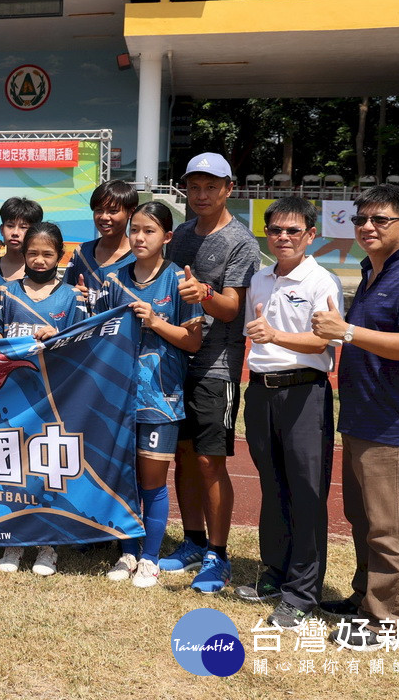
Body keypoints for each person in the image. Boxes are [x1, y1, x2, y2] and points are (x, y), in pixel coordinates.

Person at [309, 184, 399, 650]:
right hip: (363, 415)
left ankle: (386, 622)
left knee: (390, 525)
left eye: (380, 220)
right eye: (361, 219)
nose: (367, 227)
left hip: (396, 421)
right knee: (363, 517)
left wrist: (346, 331)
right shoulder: (371, 271)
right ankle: (365, 599)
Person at [239, 196, 343, 630]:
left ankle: (302, 593)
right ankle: (275, 574)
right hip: (261, 392)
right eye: (276, 230)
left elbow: (323, 343)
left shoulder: (322, 281)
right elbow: (255, 333)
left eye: (293, 231)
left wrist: (276, 335)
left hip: (305, 394)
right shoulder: (259, 279)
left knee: (306, 492)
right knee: (272, 485)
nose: (283, 238)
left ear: (310, 236)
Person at [160, 152, 261, 594]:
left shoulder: (242, 241)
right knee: (182, 454)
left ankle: (218, 555)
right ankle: (193, 541)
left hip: (216, 364)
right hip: (176, 356)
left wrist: (203, 293)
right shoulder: (181, 234)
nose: (200, 195)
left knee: (208, 459)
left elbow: (233, 308)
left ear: (228, 189)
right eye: (193, 187)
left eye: (210, 187)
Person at [100, 202, 203, 589]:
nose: (140, 237)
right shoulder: (113, 281)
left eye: (150, 231)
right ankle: (128, 549)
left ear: (168, 237)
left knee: (152, 481)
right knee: (123, 477)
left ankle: (150, 558)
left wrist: (156, 321)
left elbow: (193, 342)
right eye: (135, 230)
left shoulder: (180, 280)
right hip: (117, 397)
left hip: (161, 397)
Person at [0, 221, 88, 576]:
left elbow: (86, 346)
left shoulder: (72, 296)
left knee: (49, 468)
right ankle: (15, 538)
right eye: (32, 253)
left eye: (47, 254)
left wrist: (59, 336)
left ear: (61, 255)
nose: (40, 260)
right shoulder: (7, 292)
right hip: (12, 398)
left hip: (56, 397)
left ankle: (48, 543)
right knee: (14, 468)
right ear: (22, 254)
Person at [65, 179, 138, 309]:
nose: (104, 217)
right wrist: (73, 294)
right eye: (99, 210)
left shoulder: (139, 257)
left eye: (113, 211)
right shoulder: (81, 253)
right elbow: (63, 298)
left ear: (130, 212)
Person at [0, 197, 43, 296]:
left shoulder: (42, 274)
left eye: (23, 227)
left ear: (34, 232)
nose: (15, 233)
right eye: (10, 226)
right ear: (1, 229)